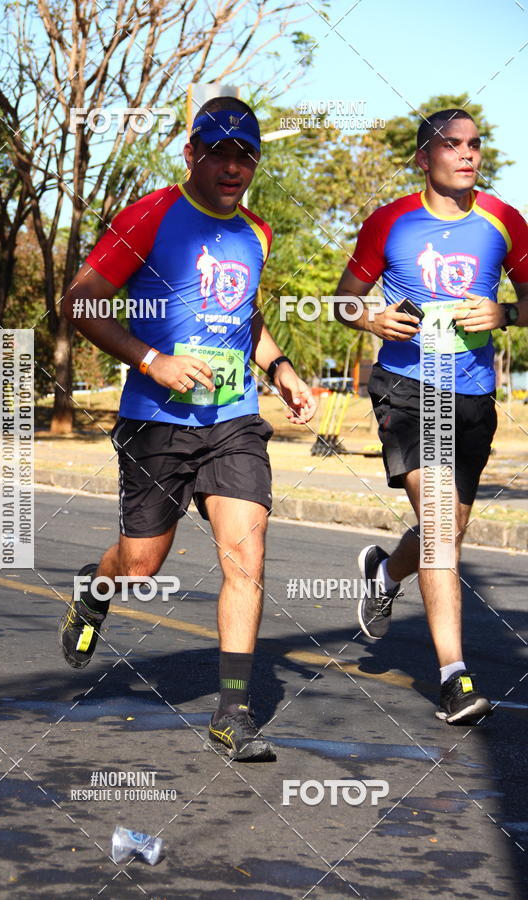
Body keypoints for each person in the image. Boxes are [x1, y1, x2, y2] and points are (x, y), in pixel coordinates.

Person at [59, 96, 316, 761]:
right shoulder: (150, 214)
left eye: (245, 155)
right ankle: (96, 588)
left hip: (233, 419)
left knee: (246, 552)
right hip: (155, 420)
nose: (233, 167)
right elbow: (80, 300)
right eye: (219, 153)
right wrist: (152, 360)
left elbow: (244, 314)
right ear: (192, 154)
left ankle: (234, 713)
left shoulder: (256, 231)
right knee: (141, 565)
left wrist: (281, 367)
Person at [335, 108, 528, 725]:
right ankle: (455, 677)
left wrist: (506, 314)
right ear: (424, 158)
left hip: (471, 395)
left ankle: (385, 572)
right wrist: (368, 318)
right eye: (452, 145)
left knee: (447, 531)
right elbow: (341, 301)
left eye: (475, 144)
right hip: (406, 389)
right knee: (442, 524)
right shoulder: (389, 222)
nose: (468, 154)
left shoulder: (505, 223)